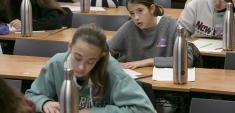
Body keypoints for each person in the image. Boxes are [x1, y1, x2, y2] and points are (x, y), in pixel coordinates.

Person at [25, 24, 156, 113]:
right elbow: (31, 95)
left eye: (91, 62)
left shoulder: (111, 69)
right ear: (70, 47)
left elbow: (145, 110)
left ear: (100, 57)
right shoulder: (57, 63)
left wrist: (95, 111)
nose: (81, 67)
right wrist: (44, 103)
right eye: (77, 57)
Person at [108, 0, 193, 69]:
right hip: (135, 80)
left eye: (140, 11)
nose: (136, 17)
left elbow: (187, 59)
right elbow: (103, 51)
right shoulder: (128, 27)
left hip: (163, 82)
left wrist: (149, 61)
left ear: (151, 9)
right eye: (132, 13)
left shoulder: (172, 25)